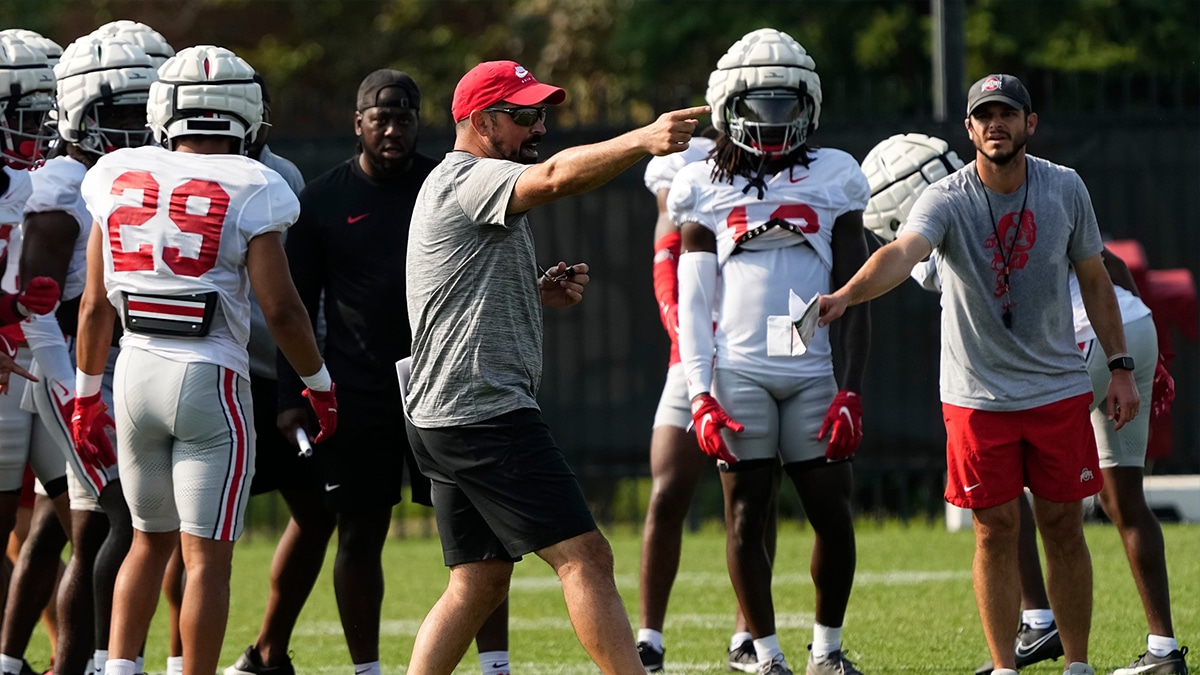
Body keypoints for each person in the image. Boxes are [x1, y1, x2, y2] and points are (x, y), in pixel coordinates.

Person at [818, 74, 1139, 675]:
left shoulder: (1065, 187)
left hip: (1056, 386)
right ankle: (1003, 667)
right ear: (968, 129)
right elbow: (901, 253)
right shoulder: (946, 197)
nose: (996, 124)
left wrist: (1120, 368)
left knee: (1064, 525)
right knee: (993, 530)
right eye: (984, 115)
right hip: (976, 395)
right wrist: (846, 295)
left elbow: (1096, 279)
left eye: (1008, 113)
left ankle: (1078, 665)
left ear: (1030, 124)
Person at [403, 58, 704, 675]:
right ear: (482, 120)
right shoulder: (470, 176)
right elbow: (559, 176)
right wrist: (644, 139)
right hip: (482, 410)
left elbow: (452, 287)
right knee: (586, 557)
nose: (538, 127)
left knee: (478, 581)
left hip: (445, 413)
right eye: (524, 116)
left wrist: (533, 290)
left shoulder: (464, 183)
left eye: (541, 113)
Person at [71, 45, 336, 675]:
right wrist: (320, 385)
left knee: (144, 540)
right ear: (247, 115)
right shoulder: (257, 183)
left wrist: (85, 394)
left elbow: (91, 307)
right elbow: (282, 311)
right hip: (209, 375)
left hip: (133, 372)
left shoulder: (116, 173)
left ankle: (119, 669)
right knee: (206, 559)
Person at [226, 68, 463, 675]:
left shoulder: (447, 185)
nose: (391, 129)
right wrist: (291, 395)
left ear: (418, 122)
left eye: (403, 118)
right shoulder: (323, 199)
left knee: (475, 535)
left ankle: (496, 666)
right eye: (379, 118)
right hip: (359, 393)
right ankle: (367, 670)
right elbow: (292, 309)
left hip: (445, 385)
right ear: (357, 123)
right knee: (357, 534)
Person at [669, 28, 870, 675]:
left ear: (808, 105)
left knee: (831, 514)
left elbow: (852, 291)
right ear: (730, 107)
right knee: (745, 514)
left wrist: (851, 388)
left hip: (812, 366)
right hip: (740, 369)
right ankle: (765, 653)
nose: (774, 121)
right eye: (760, 106)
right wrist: (699, 393)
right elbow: (694, 304)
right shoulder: (702, 180)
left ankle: (827, 650)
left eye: (786, 105)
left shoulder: (836, 173)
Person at [21, 33, 159, 675]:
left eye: (144, 112)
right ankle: (101, 663)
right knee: (116, 523)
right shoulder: (64, 182)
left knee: (66, 526)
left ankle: (53, 663)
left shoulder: (113, 174)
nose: (136, 129)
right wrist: (77, 394)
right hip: (72, 372)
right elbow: (37, 310)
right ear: (79, 106)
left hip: (99, 369)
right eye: (123, 113)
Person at [637, 129, 778, 674]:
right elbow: (667, 275)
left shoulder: (778, 173)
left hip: (750, 355)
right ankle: (649, 637)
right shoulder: (684, 168)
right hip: (694, 355)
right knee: (668, 488)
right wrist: (696, 352)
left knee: (754, 496)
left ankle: (749, 634)